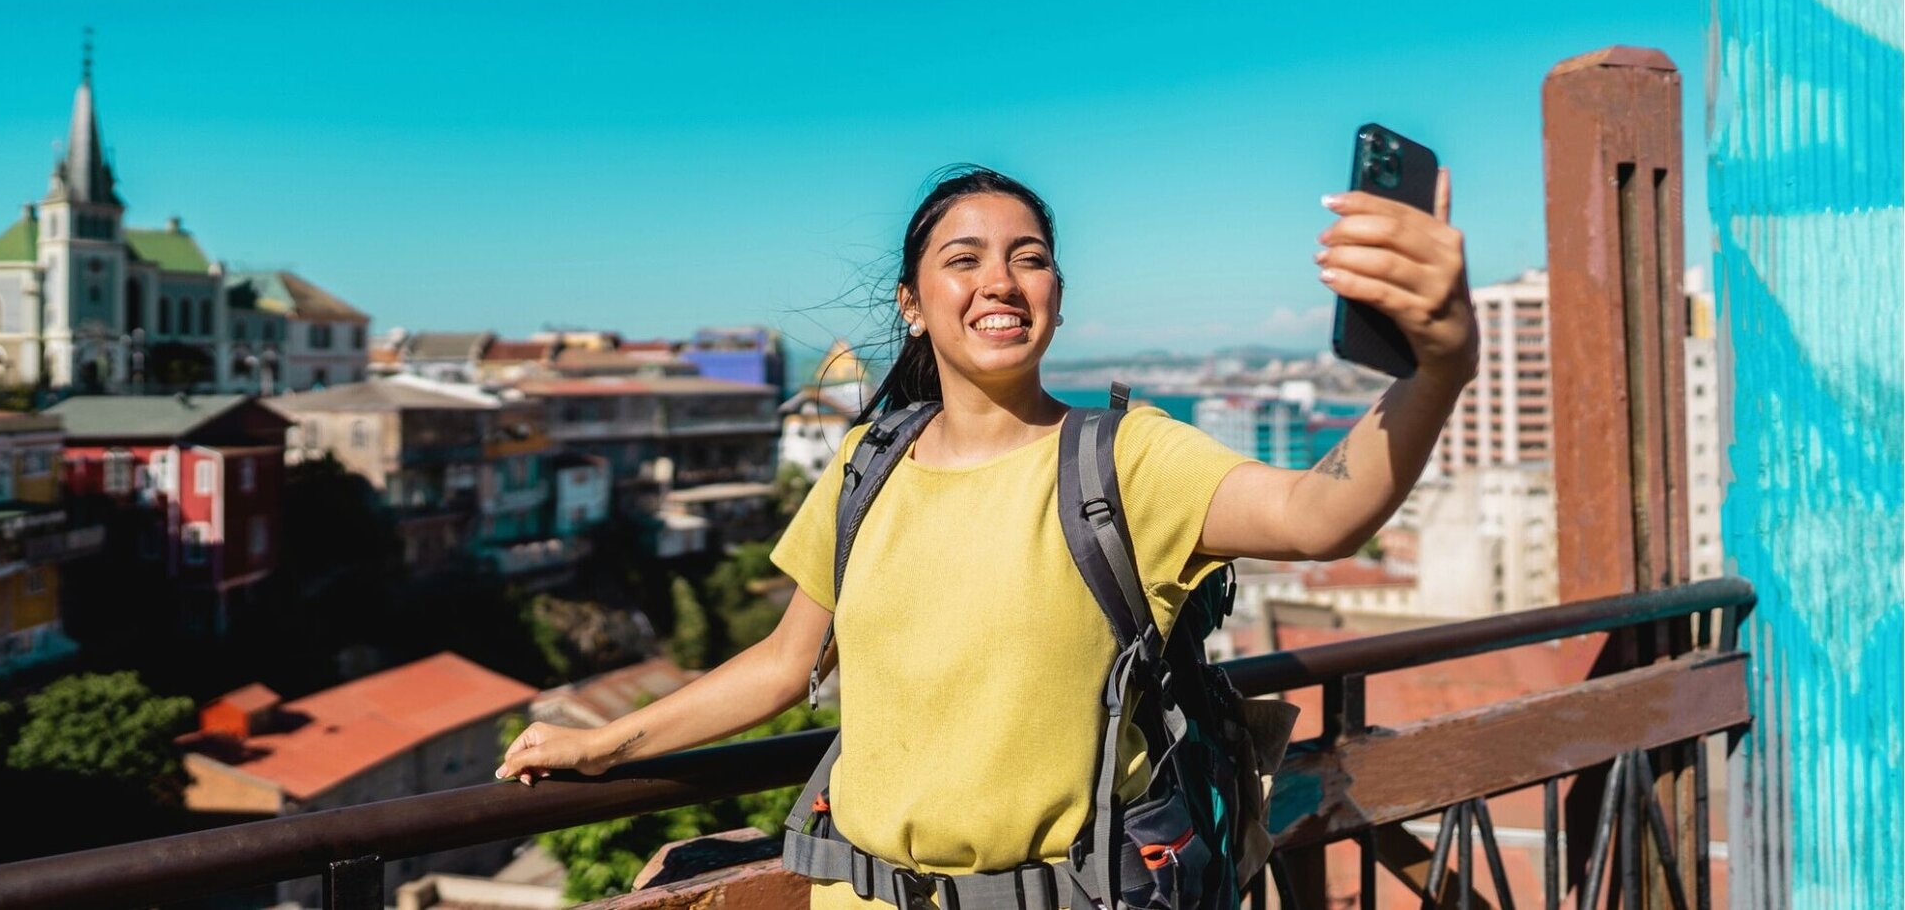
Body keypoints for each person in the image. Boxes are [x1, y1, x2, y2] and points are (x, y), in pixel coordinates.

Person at [497, 166, 1478, 908]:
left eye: (1028, 255)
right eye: (961, 259)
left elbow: (1319, 512)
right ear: (913, 306)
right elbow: (782, 662)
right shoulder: (860, 466)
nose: (999, 280)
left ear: (1055, 291)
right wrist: (603, 746)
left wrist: (1434, 365)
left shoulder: (1126, 458)